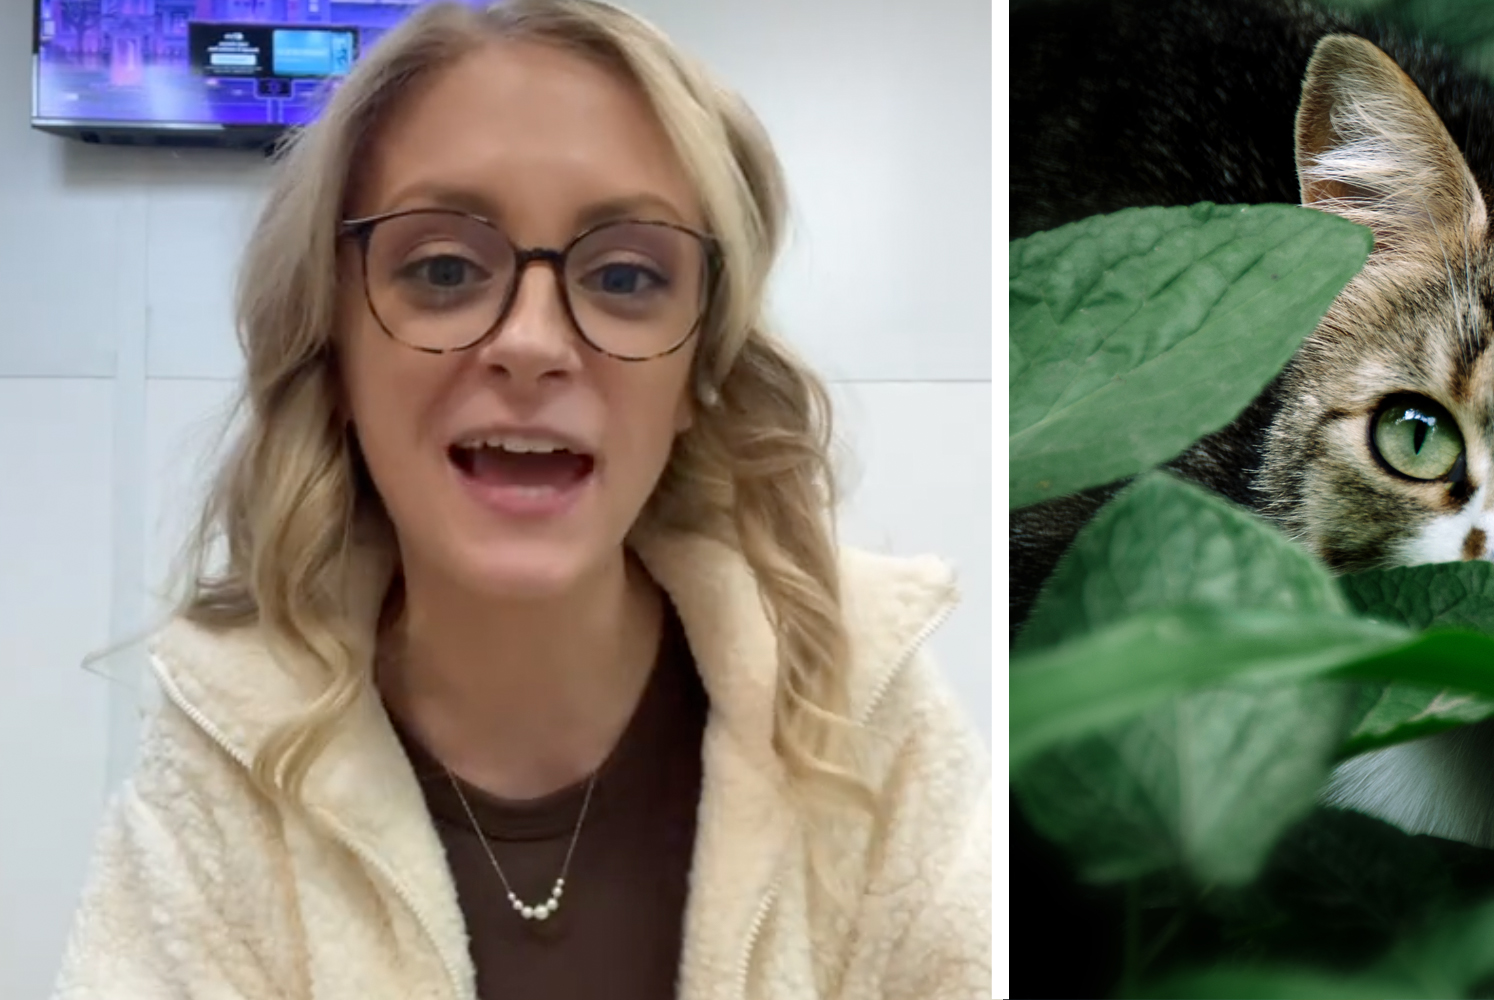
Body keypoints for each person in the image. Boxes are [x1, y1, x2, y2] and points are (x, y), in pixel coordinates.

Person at [52, 0, 989, 996]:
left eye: (626, 274)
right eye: (445, 268)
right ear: (333, 356)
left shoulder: (856, 705)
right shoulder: (226, 763)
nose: (534, 343)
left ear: (698, 375)